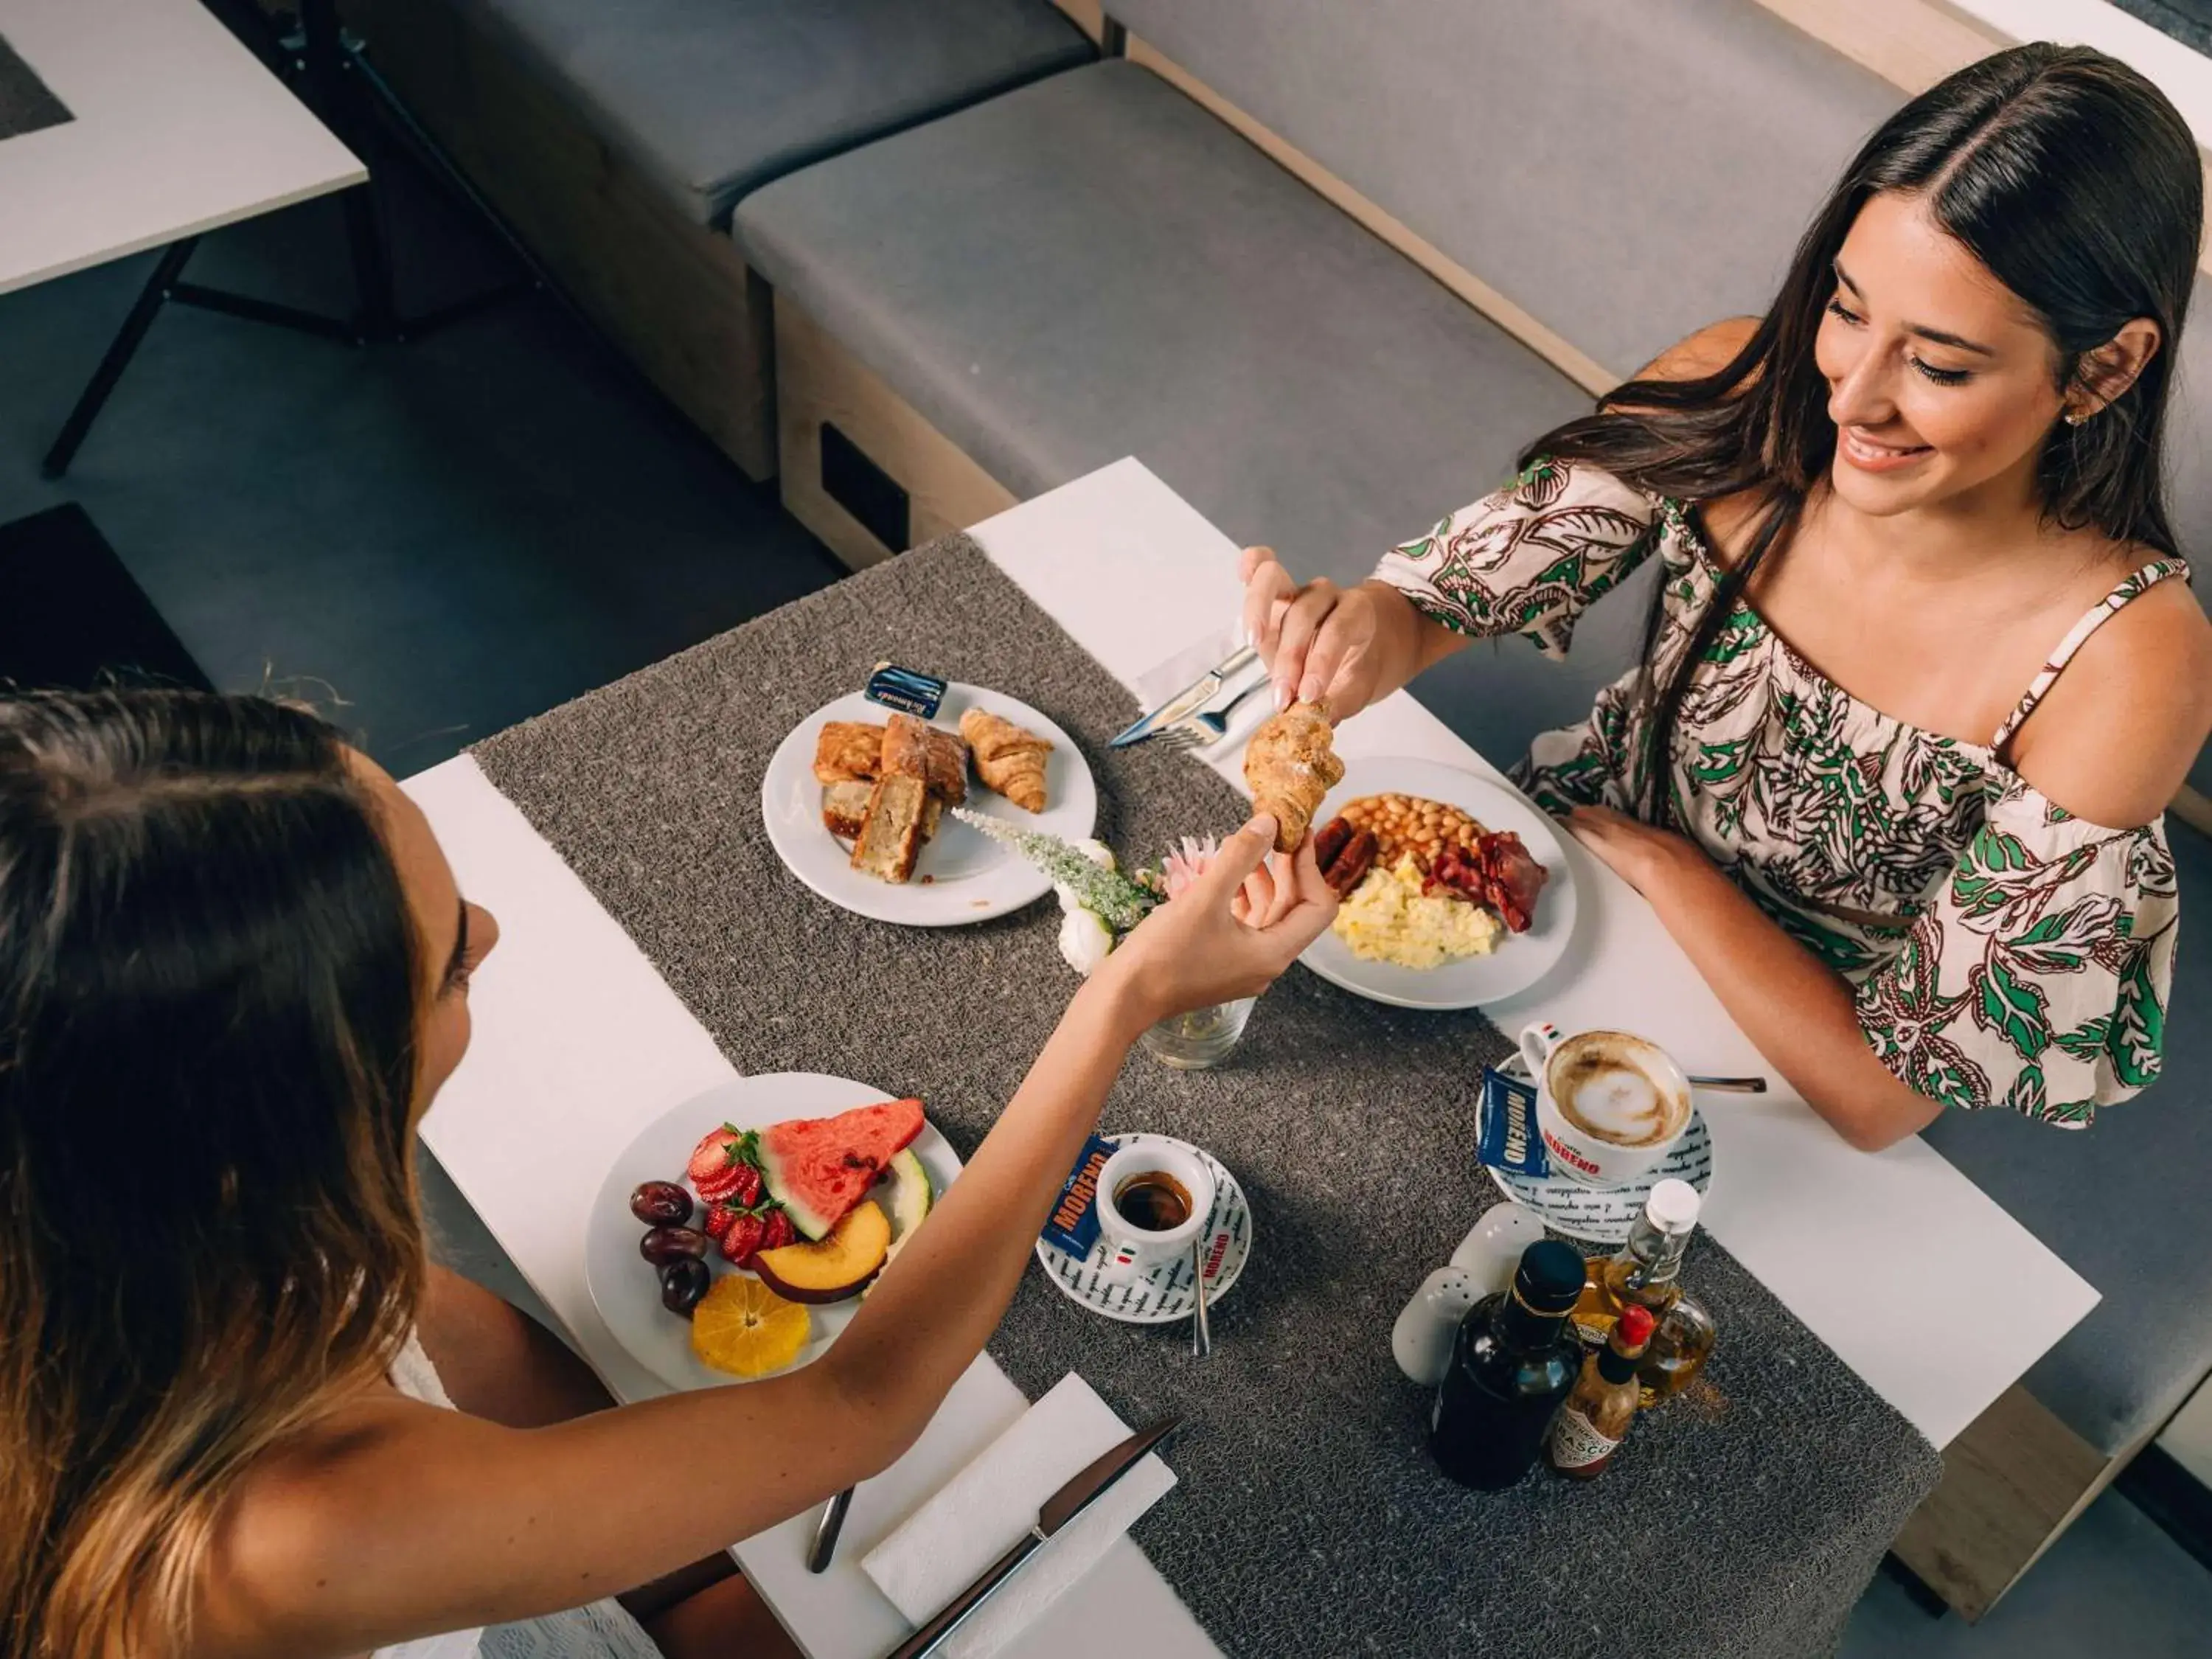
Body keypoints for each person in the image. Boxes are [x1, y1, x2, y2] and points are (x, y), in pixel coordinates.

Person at [0, 689, 1335, 1659]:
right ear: (308, 1111)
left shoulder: (141, 1203)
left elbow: (439, 1334)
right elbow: (866, 1404)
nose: (493, 925)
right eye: (448, 962)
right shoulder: (296, 1533)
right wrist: (1122, 995)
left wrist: (684, 1564)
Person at [1243, 44, 2211, 1152]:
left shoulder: (2132, 662)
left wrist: (1668, 866)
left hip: (1774, 1060)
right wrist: (1367, 627)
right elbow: (1435, 607)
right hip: (1540, 897)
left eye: (1939, 367)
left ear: (2104, 368)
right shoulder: (1747, 387)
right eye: (1847, 309)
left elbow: (1879, 1096)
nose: (1852, 396)